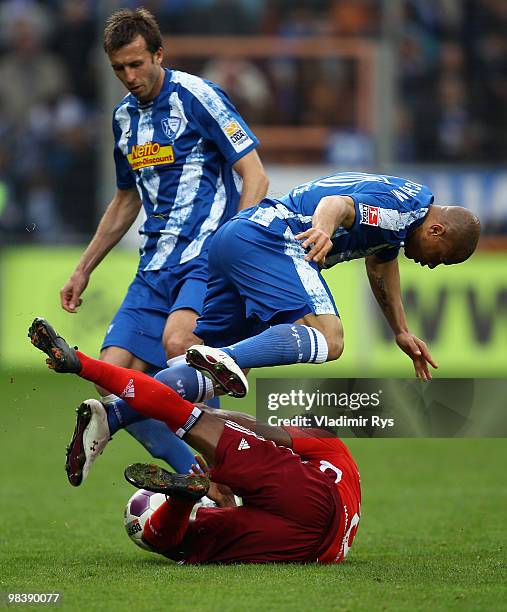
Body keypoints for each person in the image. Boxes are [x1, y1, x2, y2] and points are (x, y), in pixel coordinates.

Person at [58, 8, 268, 485]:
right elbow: (125, 199)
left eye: (137, 64)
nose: (129, 77)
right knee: (107, 380)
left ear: (158, 54)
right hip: (153, 267)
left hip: (204, 261)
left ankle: (228, 472)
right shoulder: (123, 120)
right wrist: (83, 268)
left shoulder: (199, 96)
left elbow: (255, 175)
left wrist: (234, 248)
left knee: (181, 347)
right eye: (118, 68)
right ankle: (198, 475)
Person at [29, 318, 361, 564]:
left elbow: (263, 430)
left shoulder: (332, 448)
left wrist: (211, 418)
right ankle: (183, 493)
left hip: (309, 509)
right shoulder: (333, 455)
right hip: (313, 548)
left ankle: (82, 365)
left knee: (180, 413)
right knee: (188, 545)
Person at [183, 171, 481, 396]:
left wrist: (400, 331)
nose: (431, 265)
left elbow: (381, 263)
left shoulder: (406, 214)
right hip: (271, 240)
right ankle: (227, 356)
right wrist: (323, 231)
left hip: (238, 239)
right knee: (329, 337)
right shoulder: (398, 212)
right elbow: (336, 204)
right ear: (436, 231)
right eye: (441, 259)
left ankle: (140, 395)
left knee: (212, 378)